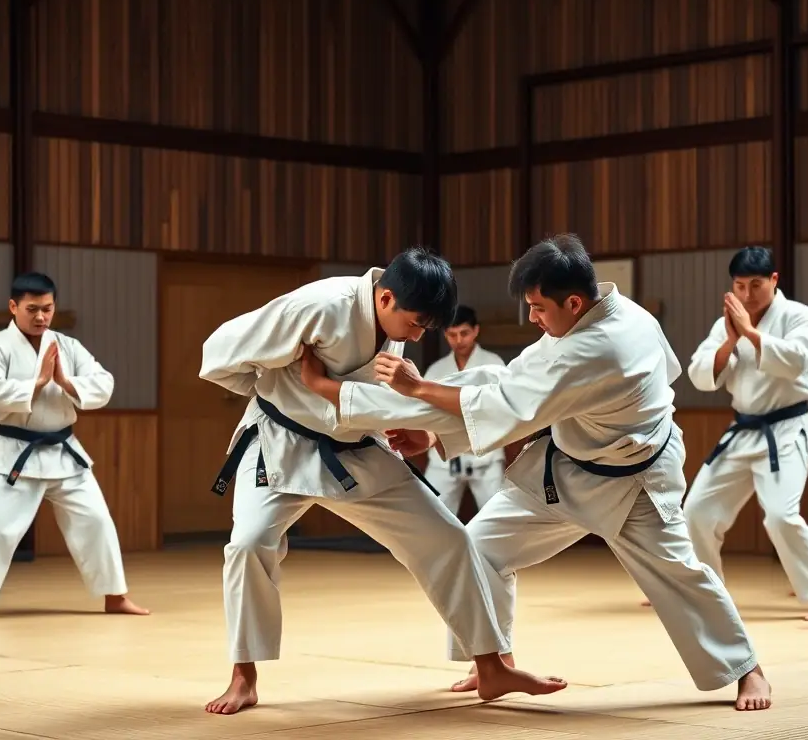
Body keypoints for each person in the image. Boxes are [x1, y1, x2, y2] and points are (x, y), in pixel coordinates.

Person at [302, 234, 772, 711]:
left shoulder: (599, 347)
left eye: (538, 307)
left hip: (635, 481)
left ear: (572, 301)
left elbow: (508, 404)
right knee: (476, 548)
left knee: (680, 575)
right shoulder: (601, 314)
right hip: (567, 469)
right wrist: (434, 433)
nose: (532, 318)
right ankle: (497, 663)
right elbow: (509, 381)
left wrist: (421, 391)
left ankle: (747, 669)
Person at [198, 248, 566, 716]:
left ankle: (491, 665)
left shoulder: (390, 313)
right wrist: (277, 389)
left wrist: (410, 423)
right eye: (415, 324)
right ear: (386, 297)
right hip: (279, 444)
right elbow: (218, 354)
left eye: (424, 328)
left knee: (448, 539)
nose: (417, 335)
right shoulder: (316, 306)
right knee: (249, 544)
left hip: (356, 446)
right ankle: (243, 675)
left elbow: (380, 395)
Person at [0, 272, 148, 624]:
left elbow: (103, 383)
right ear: (13, 306)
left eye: (47, 309)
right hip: (14, 452)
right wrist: (37, 383)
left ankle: (115, 596)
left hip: (64, 450)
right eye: (32, 309)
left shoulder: (67, 346)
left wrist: (65, 382)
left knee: (96, 520)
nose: (40, 317)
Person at [682, 247, 808, 622]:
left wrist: (751, 333)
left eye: (756, 285)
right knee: (696, 510)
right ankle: (711, 592)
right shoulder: (726, 324)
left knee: (781, 516)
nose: (748, 295)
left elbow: (798, 362)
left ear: (774, 280)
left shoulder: (799, 316)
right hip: (743, 429)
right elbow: (700, 373)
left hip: (786, 428)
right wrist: (731, 340)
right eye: (740, 286)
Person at [422, 305, 508, 516]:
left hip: (485, 454)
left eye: (464, 333)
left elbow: (502, 407)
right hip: (445, 456)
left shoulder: (493, 365)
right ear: (445, 334)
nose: (458, 340)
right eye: (452, 334)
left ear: (476, 331)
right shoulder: (436, 370)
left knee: (496, 518)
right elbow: (425, 411)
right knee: (432, 515)